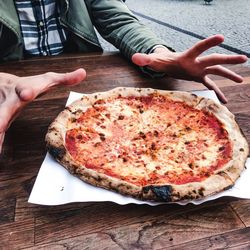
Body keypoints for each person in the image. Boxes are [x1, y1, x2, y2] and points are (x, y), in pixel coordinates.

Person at [0, 0, 247, 153]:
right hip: (11, 97)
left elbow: (118, 19)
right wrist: (5, 81)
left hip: (82, 83)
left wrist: (159, 54)